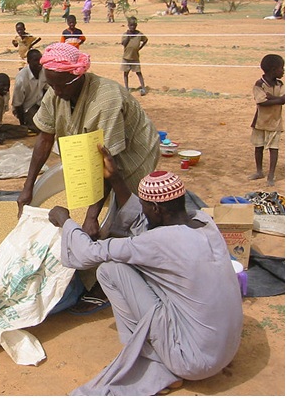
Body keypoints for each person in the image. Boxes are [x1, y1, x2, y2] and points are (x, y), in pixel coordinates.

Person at [48, 147, 243, 396]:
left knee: (110, 270)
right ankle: (160, 352)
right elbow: (146, 227)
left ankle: (149, 357)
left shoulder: (159, 242)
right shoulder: (204, 223)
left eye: (145, 206)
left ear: (157, 209)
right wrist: (115, 178)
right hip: (225, 350)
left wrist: (65, 221)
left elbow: (88, 253)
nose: (143, 212)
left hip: (193, 361)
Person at [17, 42, 160, 312]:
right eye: (52, 86)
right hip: (91, 155)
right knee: (97, 211)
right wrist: (28, 187)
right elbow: (44, 139)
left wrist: (92, 215)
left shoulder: (106, 100)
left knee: (124, 215)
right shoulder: (56, 92)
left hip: (130, 155)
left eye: (61, 86)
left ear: (78, 76)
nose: (56, 92)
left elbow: (109, 163)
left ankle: (111, 279)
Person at [248, 54, 285, 187]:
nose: (284, 71)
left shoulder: (280, 84)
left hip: (275, 122)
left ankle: (271, 174)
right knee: (259, 147)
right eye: (282, 68)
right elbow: (261, 101)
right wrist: (277, 99)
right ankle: (259, 171)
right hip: (260, 122)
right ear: (274, 70)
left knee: (274, 148)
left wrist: (271, 98)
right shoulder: (259, 84)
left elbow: (284, 100)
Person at [12, 49, 48, 133]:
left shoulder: (44, 71)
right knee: (41, 128)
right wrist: (22, 123)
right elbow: (18, 104)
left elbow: (47, 89)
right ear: (28, 61)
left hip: (39, 104)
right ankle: (28, 124)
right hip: (26, 109)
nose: (39, 62)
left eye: (40, 59)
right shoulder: (21, 79)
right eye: (36, 60)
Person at [121, 16, 148, 96]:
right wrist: (128, 37)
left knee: (138, 72)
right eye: (131, 25)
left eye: (134, 25)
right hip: (126, 57)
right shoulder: (125, 34)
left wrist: (140, 48)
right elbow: (123, 44)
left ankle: (143, 88)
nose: (132, 27)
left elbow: (145, 39)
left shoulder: (139, 34)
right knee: (125, 73)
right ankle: (126, 88)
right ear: (128, 25)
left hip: (135, 57)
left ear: (136, 25)